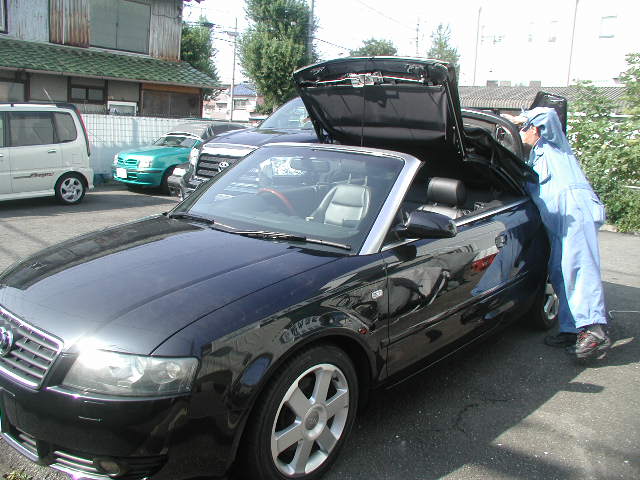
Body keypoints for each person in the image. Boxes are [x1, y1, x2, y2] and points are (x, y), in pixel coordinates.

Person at [503, 107, 611, 360]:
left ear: (534, 129)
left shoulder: (553, 145)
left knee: (579, 267)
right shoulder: (529, 161)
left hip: (575, 212)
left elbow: (549, 114)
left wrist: (519, 118)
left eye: (522, 129)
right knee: (560, 272)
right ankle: (572, 330)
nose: (520, 133)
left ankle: (594, 330)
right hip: (557, 221)